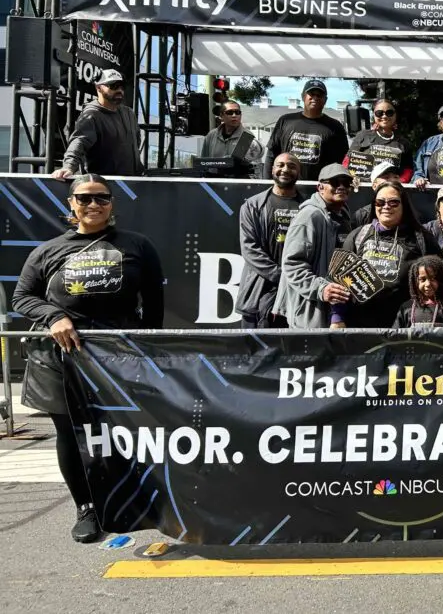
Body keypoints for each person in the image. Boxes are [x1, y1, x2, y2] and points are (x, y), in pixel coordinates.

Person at [12, 174, 164, 543]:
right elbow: (21, 297)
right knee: (70, 433)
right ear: (71, 204)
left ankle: (135, 499)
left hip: (118, 357)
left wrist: (144, 347)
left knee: (125, 431)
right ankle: (87, 507)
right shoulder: (46, 251)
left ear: (112, 204)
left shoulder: (137, 245)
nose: (93, 205)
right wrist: (54, 316)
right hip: (61, 357)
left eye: (102, 198)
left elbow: (154, 305)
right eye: (84, 198)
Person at [339, 182, 441, 328]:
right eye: (380, 202)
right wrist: (337, 318)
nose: (386, 206)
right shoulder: (358, 236)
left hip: (406, 326)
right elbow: (339, 281)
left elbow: (440, 280)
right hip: (360, 326)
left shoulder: (422, 239)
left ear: (404, 205)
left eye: (393, 202)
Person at [273, 164, 354, 328]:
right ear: (320, 187)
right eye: (335, 182)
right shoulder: (310, 216)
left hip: (333, 312)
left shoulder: (343, 216)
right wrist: (321, 289)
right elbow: (292, 265)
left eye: (346, 183)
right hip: (309, 314)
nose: (341, 187)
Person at [235, 153, 304, 328]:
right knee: (256, 353)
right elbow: (250, 248)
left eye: (291, 166)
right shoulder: (252, 205)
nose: (285, 170)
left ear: (299, 172)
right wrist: (281, 275)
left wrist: (298, 279)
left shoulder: (309, 207)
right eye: (280, 165)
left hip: (296, 294)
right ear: (272, 169)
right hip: (259, 293)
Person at [52, 69, 144, 178]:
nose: (119, 90)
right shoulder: (92, 115)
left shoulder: (129, 113)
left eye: (122, 86)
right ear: (98, 87)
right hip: (105, 185)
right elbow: (79, 142)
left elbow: (136, 141)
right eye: (113, 86)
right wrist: (69, 167)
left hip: (133, 181)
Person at [263, 79, 348, 182]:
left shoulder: (335, 126)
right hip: (286, 185)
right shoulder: (286, 121)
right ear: (303, 97)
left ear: (325, 99)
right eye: (311, 94)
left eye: (319, 95)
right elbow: (271, 154)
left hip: (320, 189)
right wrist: (266, 182)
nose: (315, 98)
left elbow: (343, 161)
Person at [344, 98, 414, 183]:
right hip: (364, 189)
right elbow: (347, 162)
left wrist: (400, 181)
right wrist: (350, 178)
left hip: (391, 190)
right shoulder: (362, 136)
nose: (384, 116)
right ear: (374, 115)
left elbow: (408, 170)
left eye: (389, 113)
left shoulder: (404, 143)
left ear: (396, 115)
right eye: (379, 113)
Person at [393, 255, 443, 328]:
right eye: (422, 279)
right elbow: (396, 336)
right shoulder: (406, 308)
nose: (428, 284)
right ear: (415, 281)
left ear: (440, 280)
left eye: (433, 279)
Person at [200, 99, 265, 172]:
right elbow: (203, 162)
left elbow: (254, 167)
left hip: (237, 181)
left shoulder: (247, 136)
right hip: (213, 180)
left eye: (237, 112)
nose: (234, 115)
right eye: (230, 112)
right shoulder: (211, 135)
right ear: (221, 116)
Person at [352, 162, 404, 228]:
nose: (393, 180)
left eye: (396, 177)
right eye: (386, 177)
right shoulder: (361, 215)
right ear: (374, 185)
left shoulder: (410, 212)